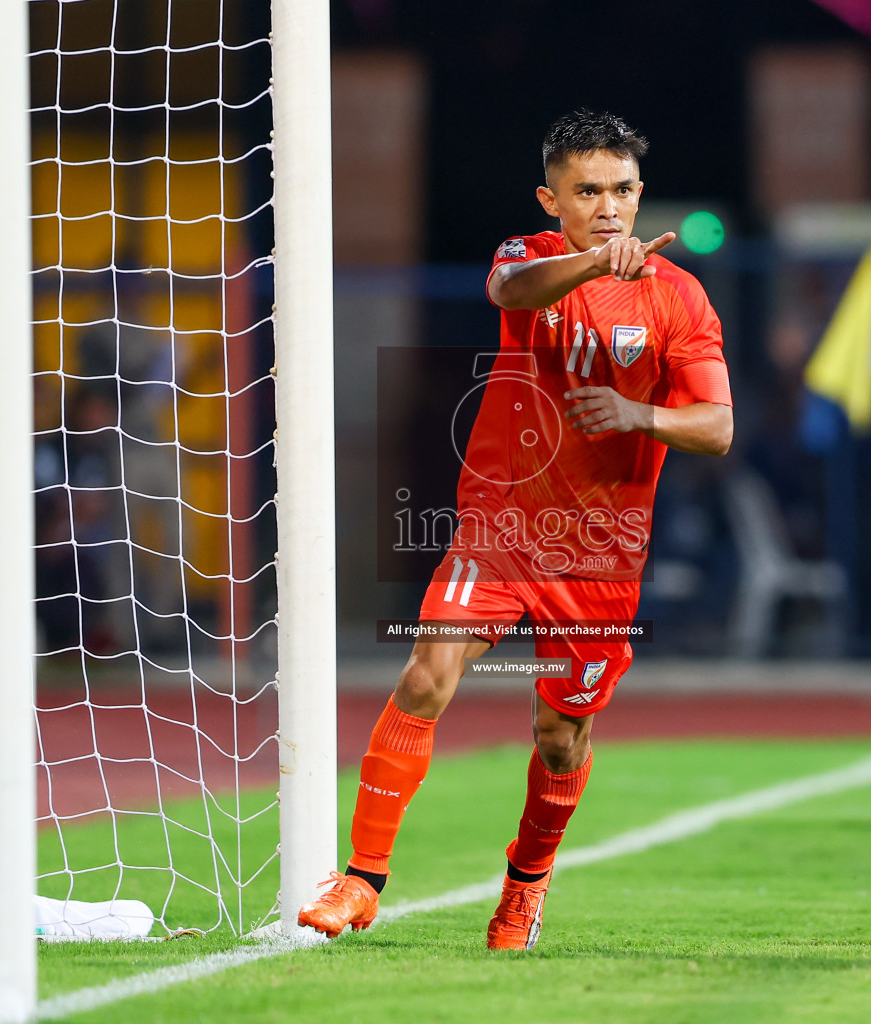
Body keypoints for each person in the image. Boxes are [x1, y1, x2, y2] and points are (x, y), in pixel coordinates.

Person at [297, 110, 734, 949]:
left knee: (560, 735)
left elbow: (716, 425)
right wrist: (589, 267)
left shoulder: (680, 297)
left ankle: (525, 889)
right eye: (587, 191)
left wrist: (636, 412)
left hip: (602, 555)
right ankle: (362, 878)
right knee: (428, 672)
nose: (608, 206)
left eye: (622, 190)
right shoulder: (528, 256)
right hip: (503, 525)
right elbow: (512, 294)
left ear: (639, 194)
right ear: (552, 198)